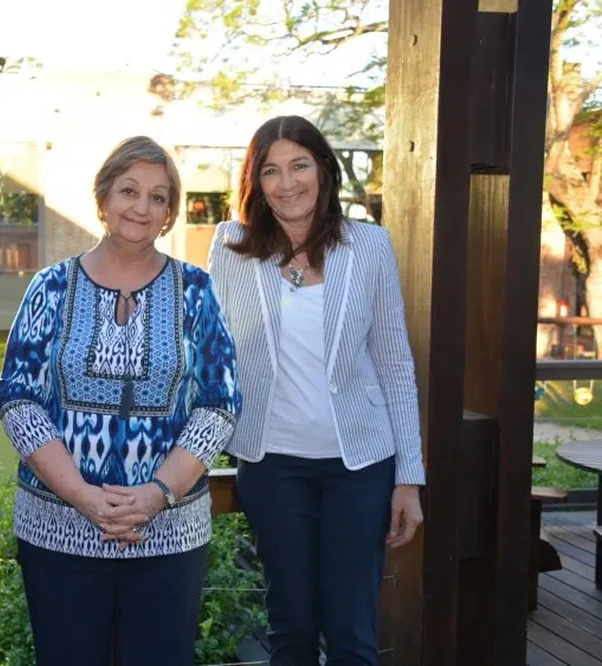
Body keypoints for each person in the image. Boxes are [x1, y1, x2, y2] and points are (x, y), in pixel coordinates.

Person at [0, 135, 241, 666]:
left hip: (170, 536)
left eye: (158, 197)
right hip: (57, 530)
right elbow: (18, 398)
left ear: (170, 212)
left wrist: (157, 493)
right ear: (103, 197)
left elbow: (219, 403)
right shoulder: (50, 288)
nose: (141, 207)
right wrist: (81, 494)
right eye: (129, 190)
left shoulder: (197, 290)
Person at [207, 115, 425, 665]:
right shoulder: (232, 245)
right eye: (271, 170)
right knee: (292, 630)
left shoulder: (369, 245)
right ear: (255, 182)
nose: (287, 183)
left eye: (299, 165)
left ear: (324, 169)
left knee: (353, 632)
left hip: (359, 466)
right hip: (273, 463)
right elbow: (210, 351)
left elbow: (395, 364)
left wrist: (409, 477)